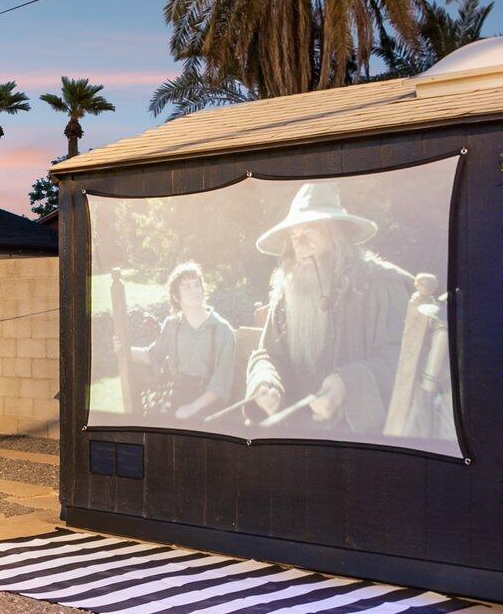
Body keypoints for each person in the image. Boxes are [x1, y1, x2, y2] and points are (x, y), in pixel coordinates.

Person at [244, 183, 412, 434]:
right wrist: (266, 382)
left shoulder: (381, 286)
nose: (299, 245)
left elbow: (403, 359)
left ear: (337, 236)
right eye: (294, 237)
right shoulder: (287, 294)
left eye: (309, 234)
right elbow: (268, 354)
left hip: (367, 439)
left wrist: (348, 382)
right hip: (297, 435)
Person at [130, 262, 236, 421]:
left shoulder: (223, 330)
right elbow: (153, 355)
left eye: (197, 285)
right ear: (175, 297)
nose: (195, 291)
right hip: (178, 396)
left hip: (209, 405)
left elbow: (220, 385)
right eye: (187, 287)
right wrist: (124, 349)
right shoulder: (172, 325)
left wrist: (190, 409)